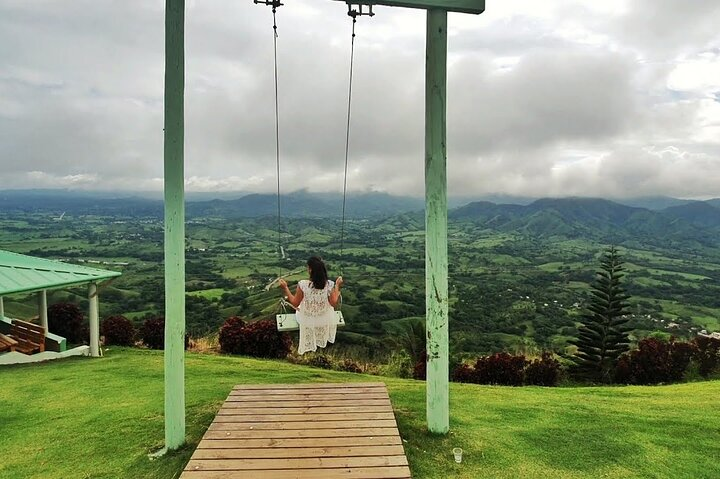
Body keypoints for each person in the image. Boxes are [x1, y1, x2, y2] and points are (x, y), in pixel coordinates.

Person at [279, 256, 343, 354]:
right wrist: (337, 286)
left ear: (310, 270)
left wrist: (285, 288)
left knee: (300, 309)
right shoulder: (329, 284)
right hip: (324, 319)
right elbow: (333, 303)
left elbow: (295, 303)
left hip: (306, 319)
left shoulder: (303, 285)